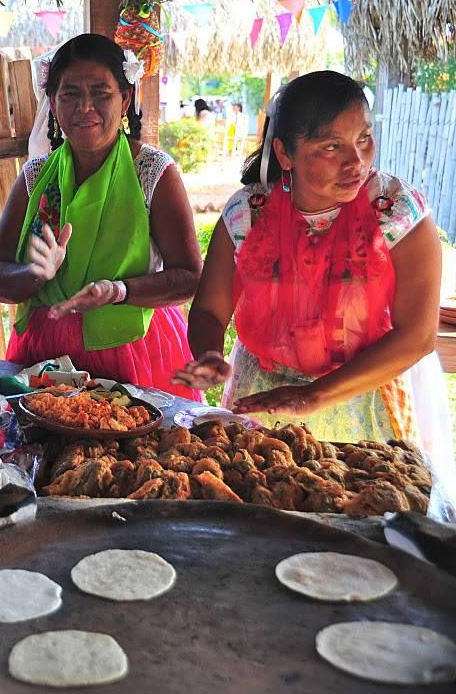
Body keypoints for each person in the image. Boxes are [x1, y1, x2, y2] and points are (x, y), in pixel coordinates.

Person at [174, 71, 455, 509]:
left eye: (363, 139)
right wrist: (208, 351)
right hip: (262, 392)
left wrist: (314, 395)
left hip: (362, 393)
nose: (356, 161)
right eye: (330, 146)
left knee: (355, 514)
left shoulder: (398, 214)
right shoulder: (249, 212)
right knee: (262, 512)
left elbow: (416, 337)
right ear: (285, 152)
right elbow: (210, 309)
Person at [0, 33, 203, 396]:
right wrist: (35, 274)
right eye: (69, 94)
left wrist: (118, 291)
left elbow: (190, 278)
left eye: (101, 93)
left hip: (134, 353)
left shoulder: (152, 173)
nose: (85, 107)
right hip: (47, 358)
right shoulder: (36, 177)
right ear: (52, 104)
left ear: (125, 98)